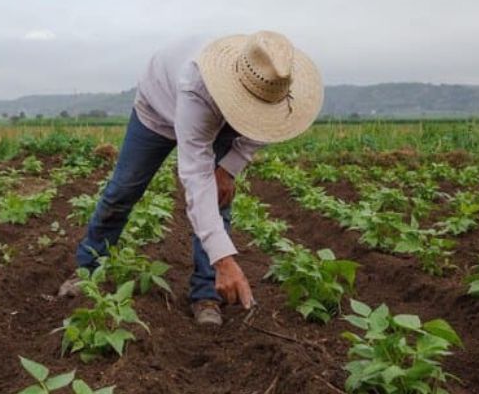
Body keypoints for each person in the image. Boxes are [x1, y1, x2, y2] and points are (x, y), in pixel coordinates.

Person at [59, 31, 323, 326]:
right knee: (123, 190)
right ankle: (87, 269)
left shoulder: (277, 85)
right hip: (158, 109)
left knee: (220, 197)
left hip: (223, 118)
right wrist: (225, 259)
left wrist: (228, 169)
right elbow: (195, 178)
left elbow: (265, 131)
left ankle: (206, 294)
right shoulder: (197, 85)